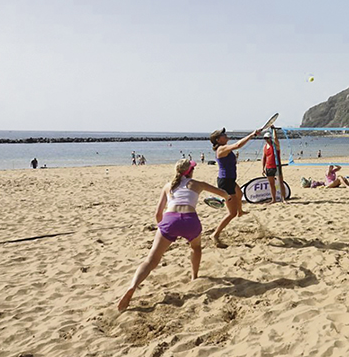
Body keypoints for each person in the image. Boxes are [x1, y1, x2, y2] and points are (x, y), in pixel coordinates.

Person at [117, 159, 235, 311]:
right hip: (190, 221)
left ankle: (132, 287)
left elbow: (158, 213)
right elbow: (223, 193)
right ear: (190, 171)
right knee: (196, 248)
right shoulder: (198, 184)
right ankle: (194, 276)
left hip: (170, 220)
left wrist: (163, 228)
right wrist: (227, 198)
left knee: (151, 260)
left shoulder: (168, 186)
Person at [210, 126, 261, 246]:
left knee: (240, 194)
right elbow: (238, 145)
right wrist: (251, 134)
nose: (225, 135)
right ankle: (215, 235)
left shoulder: (224, 148)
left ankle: (240, 211)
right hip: (225, 182)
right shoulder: (221, 149)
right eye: (223, 134)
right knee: (231, 213)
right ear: (218, 140)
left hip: (230, 180)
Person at [262, 131, 287, 204]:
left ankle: (283, 199)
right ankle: (273, 199)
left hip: (276, 166)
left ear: (270, 138)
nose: (266, 139)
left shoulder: (275, 145)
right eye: (265, 138)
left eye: (267, 138)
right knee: (271, 184)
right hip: (268, 167)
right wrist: (263, 168)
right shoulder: (265, 147)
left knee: (280, 183)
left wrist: (274, 130)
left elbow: (276, 138)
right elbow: (264, 158)